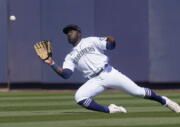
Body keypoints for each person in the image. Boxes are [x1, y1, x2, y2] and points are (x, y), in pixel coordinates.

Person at [44, 24, 180, 113]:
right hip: (94, 80)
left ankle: (165, 101)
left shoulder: (90, 40)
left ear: (78, 32)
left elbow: (110, 46)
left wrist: (112, 41)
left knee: (138, 92)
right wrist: (52, 63)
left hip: (108, 72)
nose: (68, 34)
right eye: (67, 33)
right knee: (79, 97)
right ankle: (110, 109)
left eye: (71, 31)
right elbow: (66, 74)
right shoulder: (70, 56)